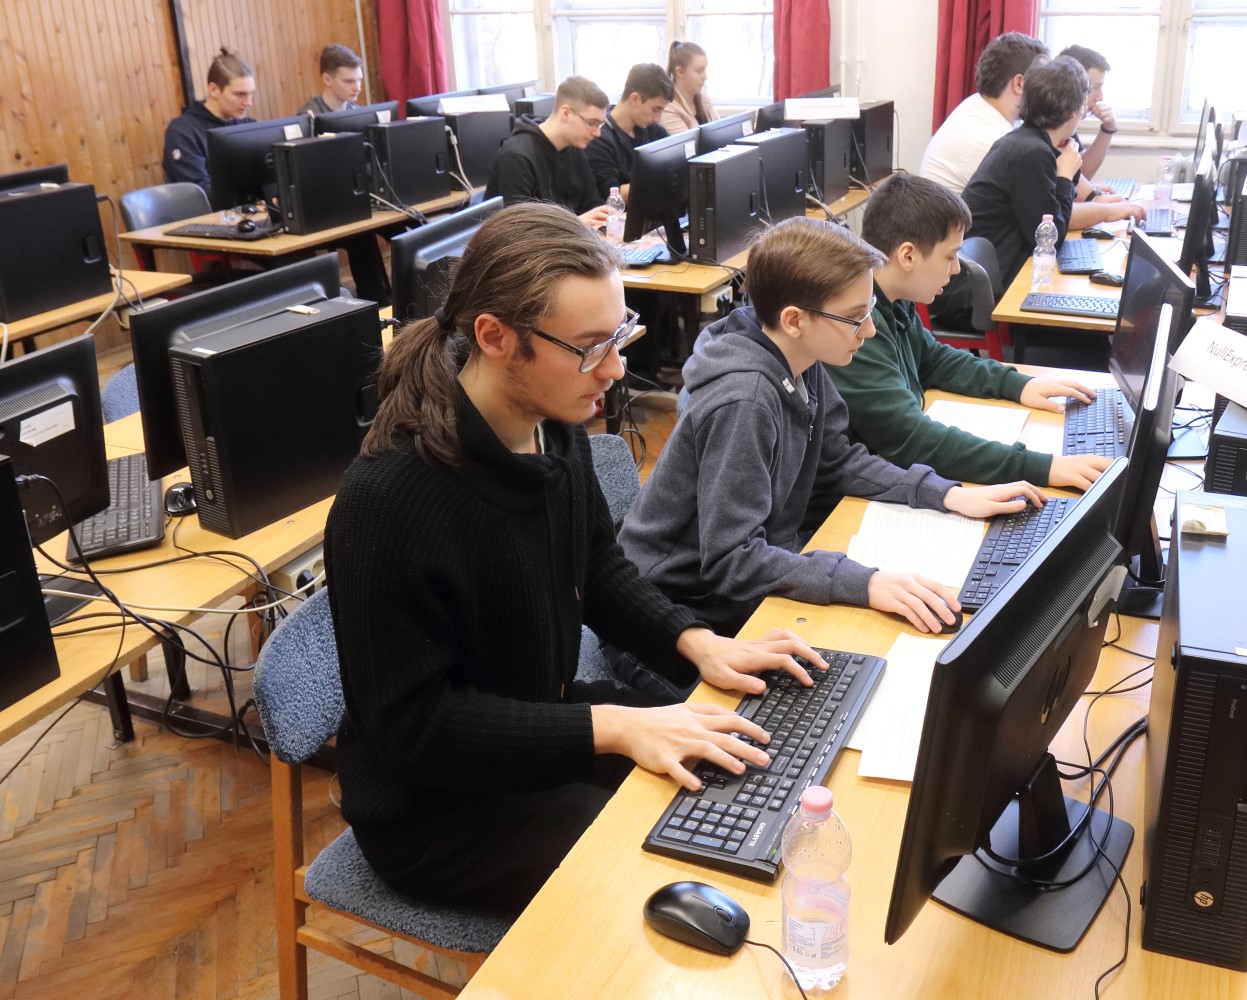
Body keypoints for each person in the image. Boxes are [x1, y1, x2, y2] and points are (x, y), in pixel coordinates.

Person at [324, 201, 825, 911]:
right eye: (590, 347)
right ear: (495, 337)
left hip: (539, 724)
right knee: (659, 870)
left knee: (741, 764)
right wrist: (618, 727)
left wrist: (698, 644)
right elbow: (417, 731)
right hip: (438, 811)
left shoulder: (549, 422)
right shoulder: (389, 499)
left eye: (617, 336)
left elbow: (597, 566)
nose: (615, 370)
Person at [618, 217, 1047, 639]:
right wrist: (865, 583)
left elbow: (837, 461)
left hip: (740, 583)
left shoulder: (800, 358)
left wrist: (948, 495)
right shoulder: (745, 401)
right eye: (855, 317)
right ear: (794, 320)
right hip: (674, 618)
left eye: (870, 310)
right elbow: (732, 560)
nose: (870, 330)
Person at [825, 173, 1110, 490]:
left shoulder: (894, 297)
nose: (957, 268)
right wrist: (1041, 467)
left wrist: (1018, 384)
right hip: (854, 492)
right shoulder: (859, 325)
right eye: (949, 256)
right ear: (907, 256)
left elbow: (933, 360)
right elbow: (911, 439)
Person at [962, 57, 1140, 288]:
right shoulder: (1031, 153)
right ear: (1073, 110)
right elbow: (1051, 237)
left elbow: (1052, 213)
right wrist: (1064, 177)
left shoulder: (1031, 141)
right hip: (978, 288)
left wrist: (1068, 172)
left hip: (991, 271)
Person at [918, 33, 1048, 196]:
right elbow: (1042, 206)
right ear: (1019, 84)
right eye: (1042, 82)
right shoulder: (993, 139)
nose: (1046, 91)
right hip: (950, 213)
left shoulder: (980, 104)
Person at [485, 76, 611, 229]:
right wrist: (576, 225)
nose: (597, 133)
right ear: (566, 113)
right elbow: (519, 232)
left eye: (600, 124)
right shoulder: (516, 158)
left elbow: (592, 204)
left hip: (570, 239)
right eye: (592, 123)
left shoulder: (575, 148)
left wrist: (609, 220)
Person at [162, 48, 257, 203]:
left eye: (250, 93)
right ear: (214, 90)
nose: (248, 102)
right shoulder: (183, 132)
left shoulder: (250, 126)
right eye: (240, 94)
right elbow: (197, 193)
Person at [586, 63, 672, 199]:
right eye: (655, 109)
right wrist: (659, 181)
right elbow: (610, 194)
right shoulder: (599, 139)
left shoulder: (653, 131)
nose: (657, 118)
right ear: (634, 99)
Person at [1057, 45, 1115, 182]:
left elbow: (1081, 173)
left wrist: (1108, 128)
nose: (1100, 97)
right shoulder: (1050, 125)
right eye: (1095, 88)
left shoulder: (1068, 123)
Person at [661, 41, 719, 135]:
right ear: (680, 72)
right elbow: (687, 143)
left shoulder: (702, 94)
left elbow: (719, 129)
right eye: (699, 71)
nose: (705, 77)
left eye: (705, 70)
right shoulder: (668, 107)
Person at [298, 43, 364, 117]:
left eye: (359, 80)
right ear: (327, 80)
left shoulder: (359, 113)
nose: (358, 88)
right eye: (349, 81)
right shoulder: (308, 118)